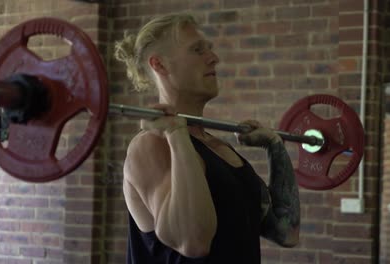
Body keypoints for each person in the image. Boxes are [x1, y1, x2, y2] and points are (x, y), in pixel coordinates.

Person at [115, 13, 300, 264]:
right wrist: (177, 134)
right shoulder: (150, 146)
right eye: (197, 49)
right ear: (160, 65)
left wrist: (275, 147)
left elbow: (286, 232)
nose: (214, 58)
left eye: (209, 49)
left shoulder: (220, 150)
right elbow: (192, 241)